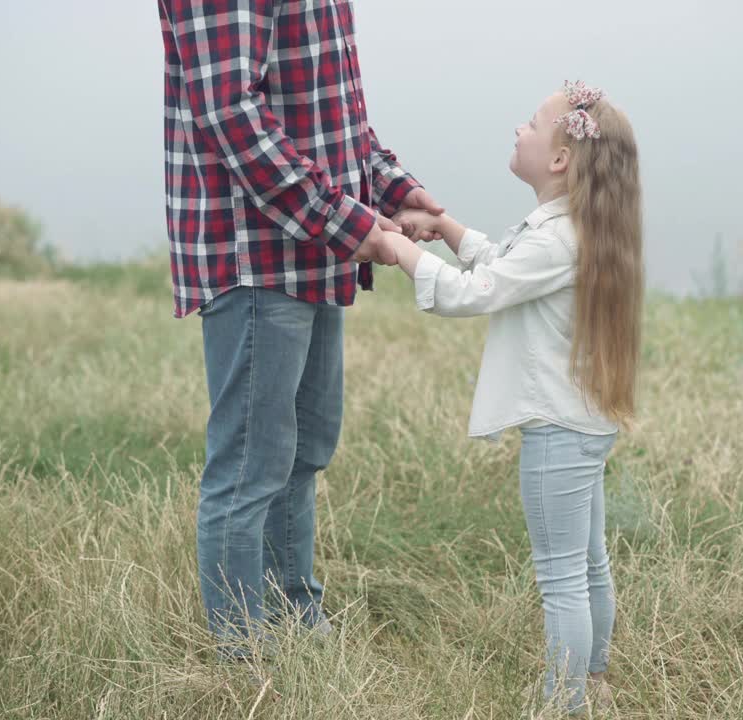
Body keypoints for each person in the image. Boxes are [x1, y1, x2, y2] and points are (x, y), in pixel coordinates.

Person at [156, 0, 443, 656]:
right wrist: (348, 222)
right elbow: (233, 113)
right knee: (251, 463)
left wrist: (391, 188)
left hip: (313, 248)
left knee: (304, 449)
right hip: (255, 252)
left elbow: (329, 112)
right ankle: (246, 660)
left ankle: (296, 620)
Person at [384, 81, 643, 713]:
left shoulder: (556, 239)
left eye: (530, 124)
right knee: (587, 564)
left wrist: (393, 248)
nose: (518, 130)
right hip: (581, 421)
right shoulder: (568, 231)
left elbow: (473, 292)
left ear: (560, 158)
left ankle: (563, 701)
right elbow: (500, 262)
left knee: (561, 578)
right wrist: (442, 226)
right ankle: (592, 679)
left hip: (558, 429)